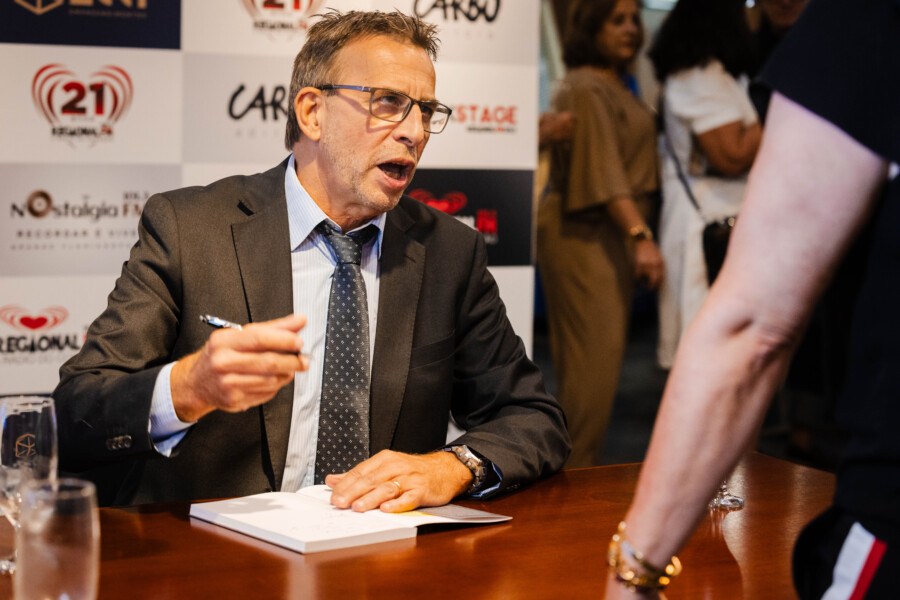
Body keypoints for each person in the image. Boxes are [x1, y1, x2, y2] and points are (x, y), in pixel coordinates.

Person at [53, 10, 570, 509]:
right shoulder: (190, 229)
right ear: (312, 113)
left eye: (426, 111)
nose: (414, 131)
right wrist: (188, 388)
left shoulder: (449, 252)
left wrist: (452, 466)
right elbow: (78, 409)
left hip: (382, 549)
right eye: (389, 103)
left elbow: (533, 418)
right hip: (216, 550)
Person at [603, 0, 899, 597]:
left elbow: (752, 333)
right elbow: (730, 153)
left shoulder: (862, 23)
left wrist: (636, 569)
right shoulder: (702, 75)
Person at [536, 0, 663, 469]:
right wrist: (640, 235)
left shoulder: (613, 82)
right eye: (617, 20)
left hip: (602, 237)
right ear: (592, 27)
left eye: (634, 19)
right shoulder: (588, 84)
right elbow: (605, 173)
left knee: (594, 375)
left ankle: (574, 478)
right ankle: (571, 482)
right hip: (586, 236)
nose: (630, 29)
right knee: (589, 379)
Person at [648, 0, 761, 369]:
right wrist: (774, 114)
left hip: (710, 221)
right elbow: (731, 155)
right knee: (710, 356)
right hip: (707, 227)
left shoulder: (711, 74)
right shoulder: (699, 77)